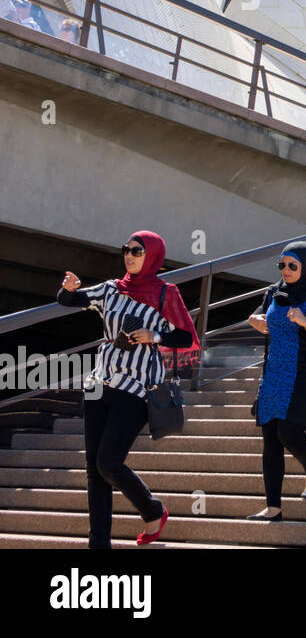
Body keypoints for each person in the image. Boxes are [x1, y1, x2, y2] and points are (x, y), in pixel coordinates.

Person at [57, 231, 196, 548]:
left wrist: (154, 336)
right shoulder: (110, 290)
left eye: (137, 250)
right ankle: (99, 544)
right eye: (126, 249)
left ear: (153, 256)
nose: (129, 255)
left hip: (135, 388)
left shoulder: (165, 294)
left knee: (109, 463)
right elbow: (71, 300)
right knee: (95, 471)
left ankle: (152, 509)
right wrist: (67, 290)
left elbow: (185, 337)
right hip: (98, 384)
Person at [246, 241, 306, 520]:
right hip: (274, 373)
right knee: (270, 438)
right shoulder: (273, 292)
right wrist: (255, 320)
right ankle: (273, 507)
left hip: (304, 375)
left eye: (292, 265)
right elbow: (255, 315)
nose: (285, 270)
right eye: (281, 265)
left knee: (288, 432)